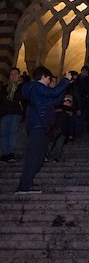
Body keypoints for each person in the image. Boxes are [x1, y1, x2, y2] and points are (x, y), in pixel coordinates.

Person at [15, 66, 72, 194]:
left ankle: (27, 183)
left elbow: (56, 100)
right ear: (43, 77)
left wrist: (65, 85)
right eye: (49, 78)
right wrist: (65, 81)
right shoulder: (37, 86)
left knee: (39, 158)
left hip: (43, 126)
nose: (50, 81)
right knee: (33, 157)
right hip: (38, 126)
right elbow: (53, 93)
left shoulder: (41, 91)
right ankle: (23, 186)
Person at [0, 67, 25, 163]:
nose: (13, 75)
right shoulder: (4, 87)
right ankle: (3, 154)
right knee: (3, 133)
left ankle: (11, 153)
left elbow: (20, 98)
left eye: (15, 74)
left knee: (13, 132)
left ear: (19, 75)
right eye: (11, 74)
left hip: (16, 112)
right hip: (5, 112)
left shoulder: (22, 86)